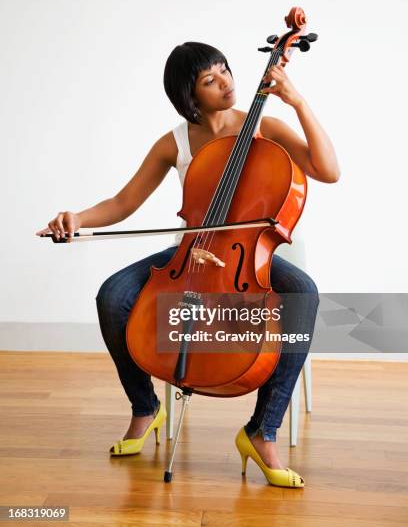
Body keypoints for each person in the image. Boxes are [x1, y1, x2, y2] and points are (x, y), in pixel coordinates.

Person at [36, 41, 340, 488]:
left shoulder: (265, 128)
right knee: (113, 296)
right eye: (209, 79)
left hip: (247, 255)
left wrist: (297, 102)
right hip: (190, 253)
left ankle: (262, 429)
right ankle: (145, 408)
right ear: (188, 95)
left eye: (225, 71)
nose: (226, 83)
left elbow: (328, 170)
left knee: (304, 294)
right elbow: (124, 202)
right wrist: (76, 218)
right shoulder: (175, 142)